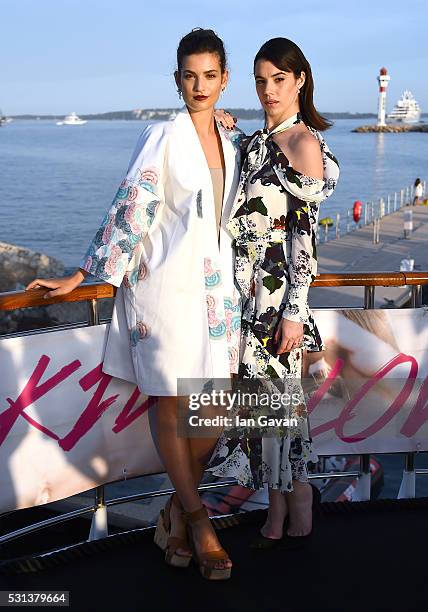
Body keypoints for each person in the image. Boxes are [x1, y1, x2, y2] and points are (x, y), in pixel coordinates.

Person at [25, 28, 242, 580]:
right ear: (177, 80)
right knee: (171, 403)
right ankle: (197, 520)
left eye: (210, 75)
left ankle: (171, 511)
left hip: (217, 297)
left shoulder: (232, 139)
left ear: (224, 80)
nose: (199, 85)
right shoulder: (163, 135)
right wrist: (83, 274)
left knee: (213, 409)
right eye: (189, 75)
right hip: (165, 291)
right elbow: (133, 206)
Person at [207, 37, 340, 549]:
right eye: (260, 81)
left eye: (278, 80)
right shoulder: (262, 139)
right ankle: (279, 500)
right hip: (245, 294)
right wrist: (230, 130)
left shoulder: (302, 143)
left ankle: (298, 495)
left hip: (277, 296)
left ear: (300, 80)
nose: (268, 90)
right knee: (262, 406)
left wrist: (294, 313)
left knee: (281, 403)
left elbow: (304, 238)